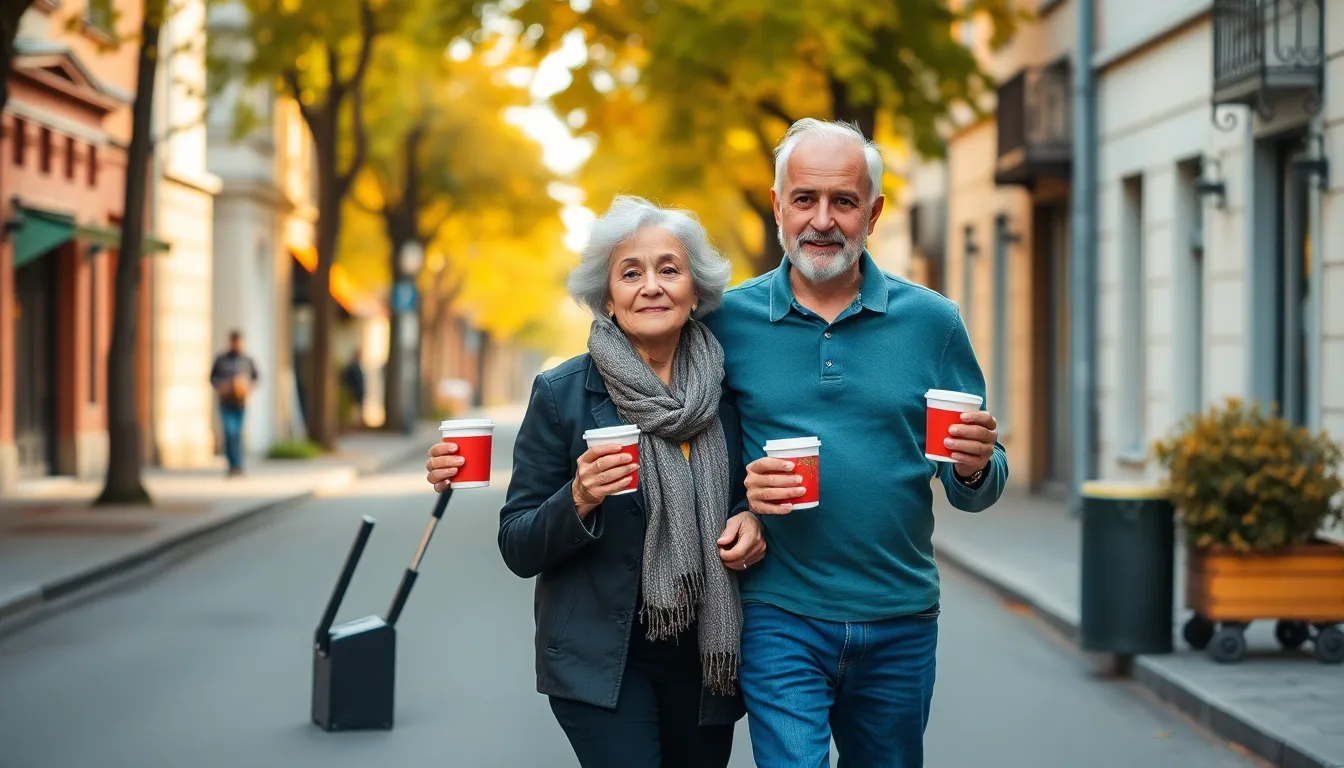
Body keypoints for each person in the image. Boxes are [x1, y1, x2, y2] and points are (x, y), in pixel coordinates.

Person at [702, 118, 1009, 767]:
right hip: (779, 612)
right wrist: (742, 502)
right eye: (805, 199)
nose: (822, 220)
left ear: (872, 213)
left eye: (843, 202)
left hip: (900, 617)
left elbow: (974, 486)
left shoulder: (933, 323)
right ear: (778, 205)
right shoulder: (725, 322)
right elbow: (696, 452)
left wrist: (978, 468)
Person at [424, 196, 764, 768]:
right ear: (607, 297)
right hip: (602, 659)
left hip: (706, 659)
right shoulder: (562, 394)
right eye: (631, 273)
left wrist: (753, 521)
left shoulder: (731, 392)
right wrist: (578, 498)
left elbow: (749, 493)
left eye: (668, 269)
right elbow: (518, 543)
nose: (650, 286)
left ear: (695, 291)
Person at [210, 330, 260, 477]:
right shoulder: (221, 360)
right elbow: (213, 379)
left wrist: (246, 387)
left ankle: (238, 465)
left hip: (240, 403)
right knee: (229, 432)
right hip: (226, 402)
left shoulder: (247, 360)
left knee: (237, 434)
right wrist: (223, 386)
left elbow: (255, 378)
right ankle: (231, 465)